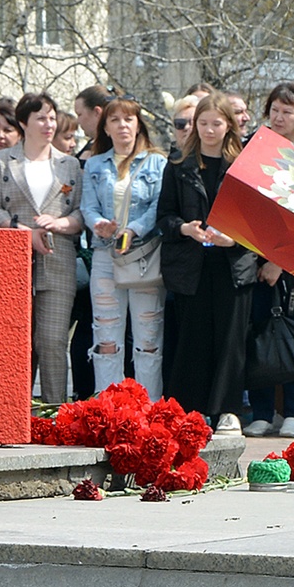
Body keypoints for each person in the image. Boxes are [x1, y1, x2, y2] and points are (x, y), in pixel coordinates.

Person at [0, 91, 81, 405]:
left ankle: (55, 412)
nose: (49, 124)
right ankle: (15, 414)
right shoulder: (5, 161)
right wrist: (22, 231)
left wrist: (61, 224)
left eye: (51, 117)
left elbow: (80, 213)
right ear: (24, 122)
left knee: (52, 341)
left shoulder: (70, 165)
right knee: (17, 342)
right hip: (13, 261)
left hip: (58, 258)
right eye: (41, 118)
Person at [159, 91, 253, 427]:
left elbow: (259, 223)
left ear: (229, 125)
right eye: (203, 123)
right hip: (192, 266)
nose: (209, 130)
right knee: (193, 339)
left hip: (233, 266)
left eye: (216, 123)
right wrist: (185, 228)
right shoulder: (179, 167)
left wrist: (235, 239)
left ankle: (228, 410)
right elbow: (164, 218)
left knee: (231, 340)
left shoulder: (244, 166)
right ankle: (192, 410)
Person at [81, 99, 167, 397]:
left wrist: (134, 229)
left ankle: (151, 408)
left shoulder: (157, 162)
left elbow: (159, 206)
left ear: (138, 124)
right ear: (105, 127)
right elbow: (87, 207)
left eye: (128, 119)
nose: (122, 125)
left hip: (143, 255)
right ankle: (108, 410)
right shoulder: (94, 164)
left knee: (148, 339)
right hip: (106, 254)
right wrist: (98, 224)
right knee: (106, 337)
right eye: (114, 120)